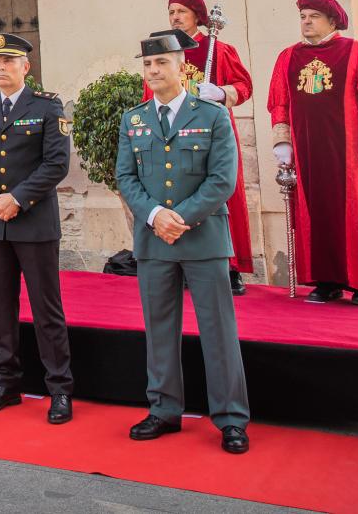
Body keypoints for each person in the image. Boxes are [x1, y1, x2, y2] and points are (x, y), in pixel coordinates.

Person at [116, 29, 251, 455]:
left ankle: (230, 418)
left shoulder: (211, 116)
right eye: (148, 64)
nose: (153, 71)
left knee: (218, 331)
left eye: (162, 63)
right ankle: (163, 410)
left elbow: (222, 180)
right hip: (154, 241)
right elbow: (126, 178)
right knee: (159, 330)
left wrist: (181, 218)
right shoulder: (133, 119)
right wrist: (156, 216)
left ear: (181, 68)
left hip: (204, 238)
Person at [0, 32, 73, 425]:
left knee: (46, 310)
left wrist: (17, 198)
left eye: (9, 62)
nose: (1, 68)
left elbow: (56, 164)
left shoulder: (47, 108)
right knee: (1, 309)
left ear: (26, 67)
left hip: (34, 223)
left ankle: (59, 388)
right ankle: (6, 383)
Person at [266, 0, 358, 305]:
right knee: (314, 214)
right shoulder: (288, 57)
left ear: (332, 21)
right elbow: (280, 101)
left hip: (350, 153)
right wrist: (282, 140)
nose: (306, 22)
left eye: (313, 17)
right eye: (303, 17)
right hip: (308, 151)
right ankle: (326, 282)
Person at [141, 0, 256, 294]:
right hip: (174, 135)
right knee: (178, 194)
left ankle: (229, 267)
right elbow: (148, 91)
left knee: (222, 197)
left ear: (196, 15)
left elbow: (244, 86)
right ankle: (183, 262)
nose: (175, 17)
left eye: (181, 11)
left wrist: (220, 92)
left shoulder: (217, 49)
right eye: (171, 12)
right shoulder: (162, 52)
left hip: (211, 133)